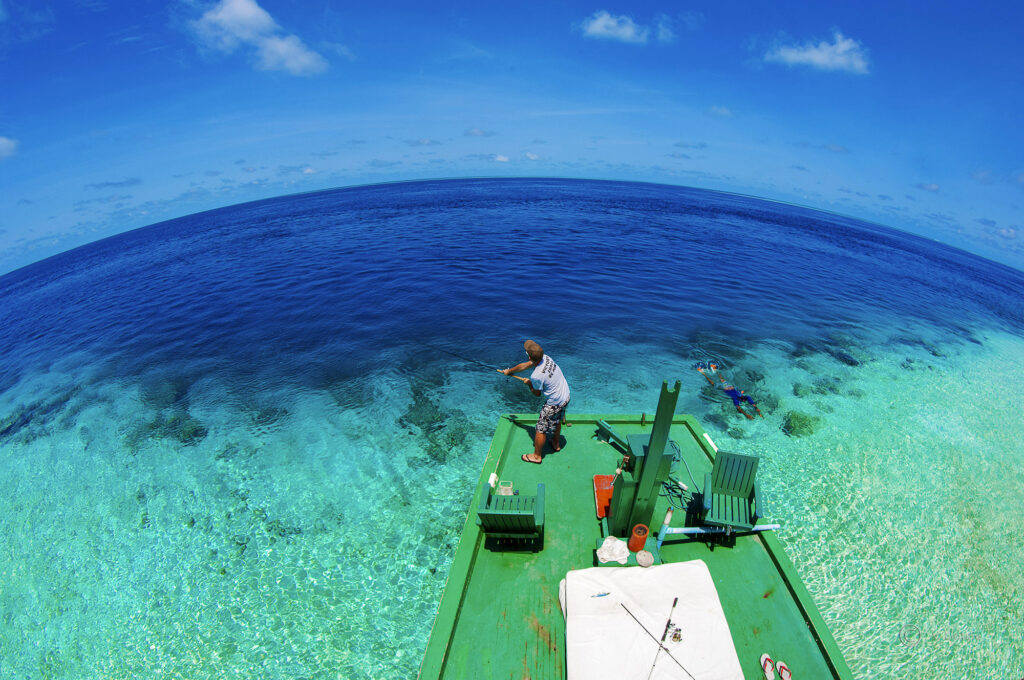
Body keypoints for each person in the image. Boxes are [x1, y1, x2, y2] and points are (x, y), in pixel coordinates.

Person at [499, 340, 571, 464]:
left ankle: (537, 456)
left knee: (540, 429)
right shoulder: (546, 358)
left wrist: (529, 384)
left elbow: (537, 394)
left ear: (529, 356)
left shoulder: (536, 376)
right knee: (557, 419)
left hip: (554, 403)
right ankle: (556, 443)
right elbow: (526, 365)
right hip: (565, 396)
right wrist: (509, 371)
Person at [695, 361, 763, 420]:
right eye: (744, 399)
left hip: (729, 387)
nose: (744, 400)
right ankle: (705, 373)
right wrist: (746, 415)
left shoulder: (743, 397)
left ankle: (712, 370)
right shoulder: (737, 398)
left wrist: (758, 413)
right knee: (714, 382)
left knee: (720, 380)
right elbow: (739, 409)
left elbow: (751, 405)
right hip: (727, 387)